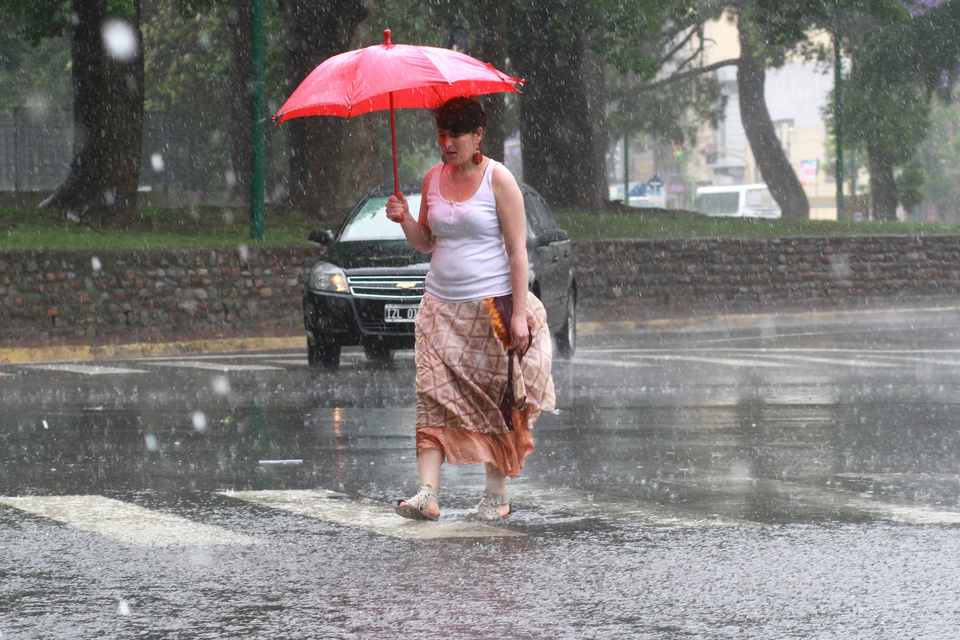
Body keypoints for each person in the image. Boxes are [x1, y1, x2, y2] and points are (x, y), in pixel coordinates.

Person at [385, 96, 556, 521]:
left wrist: (518, 312)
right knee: (432, 396)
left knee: (496, 400)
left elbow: (518, 252)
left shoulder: (499, 179)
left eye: (456, 134)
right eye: (441, 134)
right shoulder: (431, 179)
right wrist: (405, 218)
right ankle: (427, 493)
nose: (447, 143)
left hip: (491, 308)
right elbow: (426, 242)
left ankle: (495, 496)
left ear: (479, 134)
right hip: (439, 309)